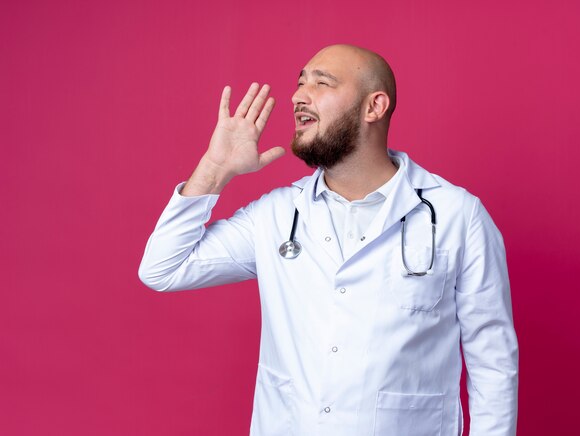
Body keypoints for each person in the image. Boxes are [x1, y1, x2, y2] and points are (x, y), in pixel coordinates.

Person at [138, 44, 519, 436]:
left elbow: (492, 360)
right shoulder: (277, 215)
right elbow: (164, 269)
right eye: (300, 82)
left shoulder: (457, 216)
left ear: (375, 107)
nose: (298, 95)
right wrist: (215, 168)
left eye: (322, 83)